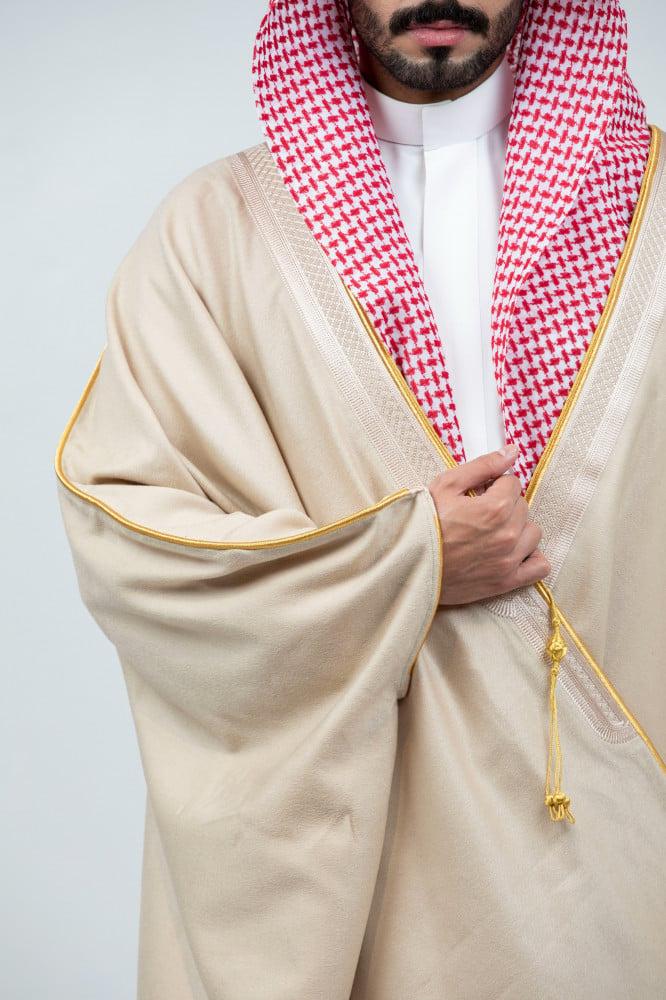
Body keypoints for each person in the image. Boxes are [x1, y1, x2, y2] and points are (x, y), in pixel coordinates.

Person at [55, 1, 666, 997]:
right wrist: (409, 559)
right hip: (367, 888)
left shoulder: (658, 218)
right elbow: (134, 545)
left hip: (623, 898)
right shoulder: (215, 237)